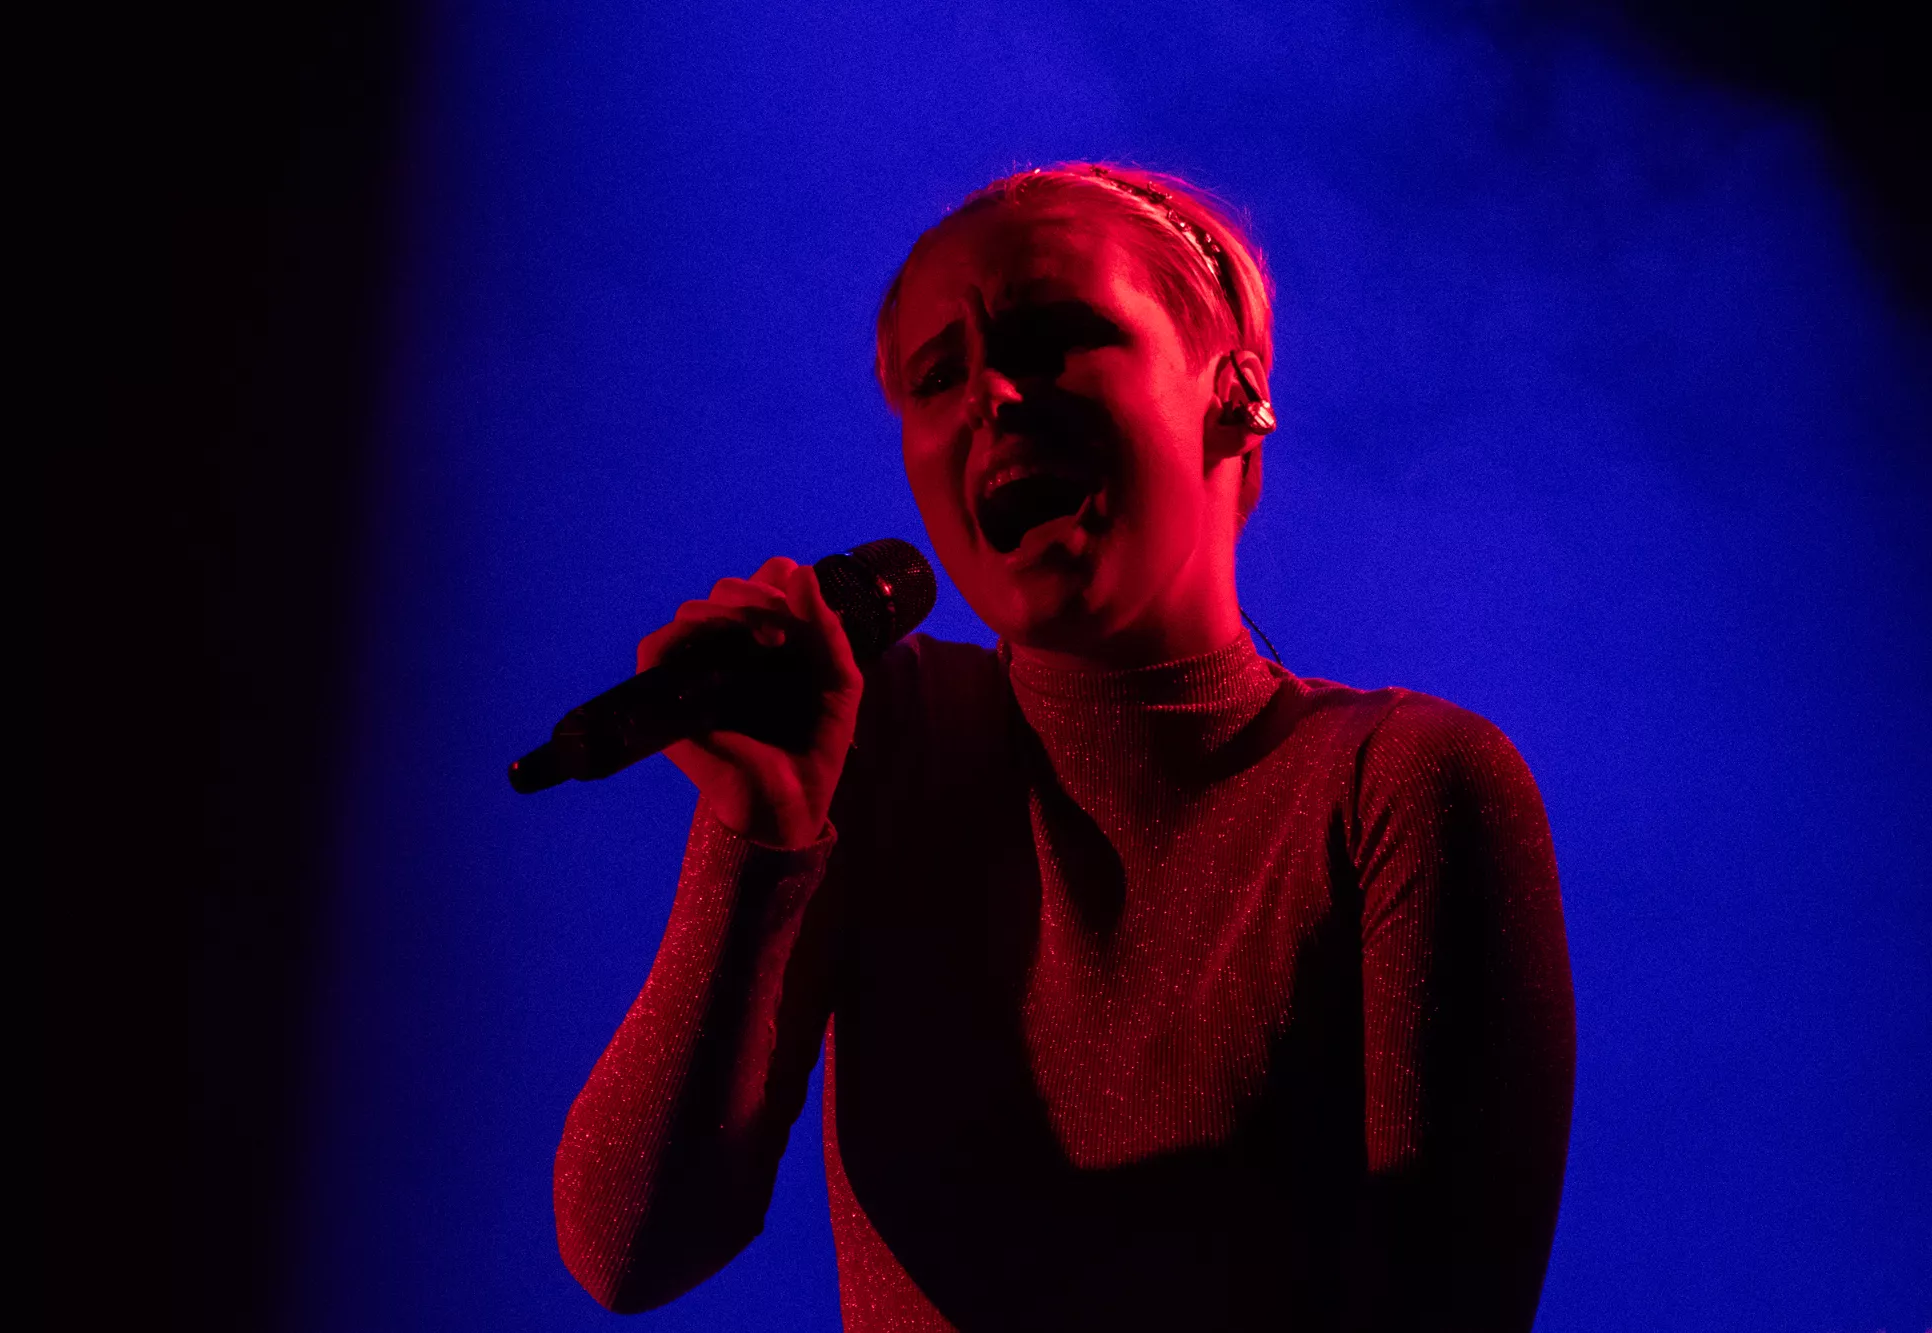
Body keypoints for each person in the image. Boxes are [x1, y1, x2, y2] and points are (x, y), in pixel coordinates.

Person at [552, 163, 1576, 1331]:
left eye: (1052, 338)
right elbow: (628, 1250)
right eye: (935, 377)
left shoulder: (1399, 782)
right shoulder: (878, 736)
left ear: (1235, 394)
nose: (991, 393)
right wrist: (759, 839)